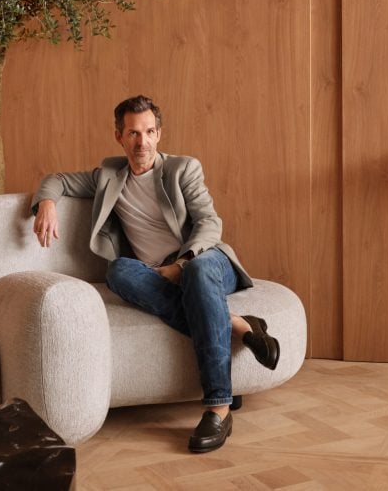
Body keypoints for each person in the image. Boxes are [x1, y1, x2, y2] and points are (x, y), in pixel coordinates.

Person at [30, 94, 279, 453]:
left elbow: (210, 222)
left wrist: (182, 264)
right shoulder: (107, 176)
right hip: (153, 272)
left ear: (159, 134)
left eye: (149, 132)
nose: (141, 142)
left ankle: (219, 407)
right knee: (118, 270)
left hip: (204, 260)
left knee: (195, 275)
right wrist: (47, 204)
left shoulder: (182, 169)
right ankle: (239, 324)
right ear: (119, 136)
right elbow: (57, 180)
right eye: (132, 133)